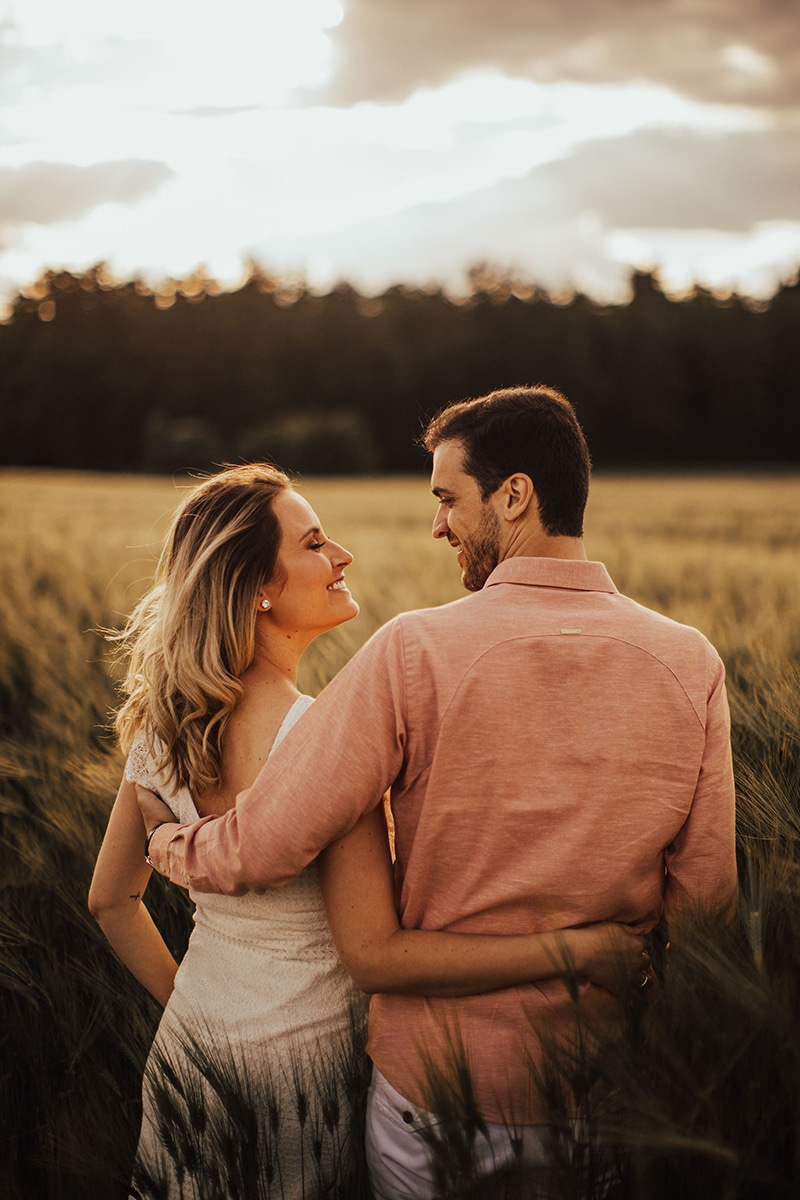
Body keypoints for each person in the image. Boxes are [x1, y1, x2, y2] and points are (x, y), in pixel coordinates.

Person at [138, 387, 737, 1199]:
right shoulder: (692, 663)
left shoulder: (412, 651)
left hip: (434, 1105)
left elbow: (260, 847)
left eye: (449, 498)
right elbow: (706, 911)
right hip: (600, 1096)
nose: (437, 525)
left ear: (515, 494)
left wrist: (168, 843)